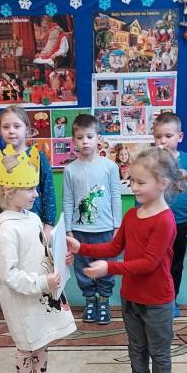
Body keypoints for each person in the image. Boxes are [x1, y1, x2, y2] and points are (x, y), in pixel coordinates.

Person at [67, 147, 185, 373]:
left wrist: (109, 268)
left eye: (141, 182)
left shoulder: (165, 220)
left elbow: (148, 263)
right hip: (130, 296)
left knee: (159, 350)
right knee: (136, 346)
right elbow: (113, 247)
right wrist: (81, 247)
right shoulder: (131, 216)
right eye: (131, 180)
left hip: (157, 299)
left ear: (163, 183)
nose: (133, 187)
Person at [0, 145, 76, 373]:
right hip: (21, 299)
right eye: (29, 189)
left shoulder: (34, 218)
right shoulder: (5, 229)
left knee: (41, 343)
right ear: (9, 191)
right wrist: (42, 282)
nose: (36, 194)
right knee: (25, 346)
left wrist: (60, 259)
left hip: (40, 295)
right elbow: (9, 275)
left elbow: (43, 251)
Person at [63, 113, 122, 324]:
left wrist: (118, 226)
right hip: (79, 231)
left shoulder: (110, 167)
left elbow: (116, 196)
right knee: (82, 268)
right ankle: (90, 299)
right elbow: (68, 200)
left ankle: (104, 300)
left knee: (106, 265)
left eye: (89, 136)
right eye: (80, 138)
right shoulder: (70, 170)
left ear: (99, 138)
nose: (85, 141)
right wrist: (68, 230)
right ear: (74, 141)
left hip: (106, 229)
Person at [0, 105, 56, 270]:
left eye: (17, 126)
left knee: (34, 263)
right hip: (6, 222)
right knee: (10, 264)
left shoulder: (39, 157)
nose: (11, 131)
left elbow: (49, 192)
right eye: (6, 127)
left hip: (34, 220)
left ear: (27, 129)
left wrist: (49, 225)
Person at [151, 111, 187, 318]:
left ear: (179, 137)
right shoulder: (150, 161)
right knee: (154, 263)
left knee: (175, 265)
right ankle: (156, 298)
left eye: (168, 136)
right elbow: (142, 193)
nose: (163, 141)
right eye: (158, 136)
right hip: (154, 224)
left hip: (180, 224)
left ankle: (171, 299)